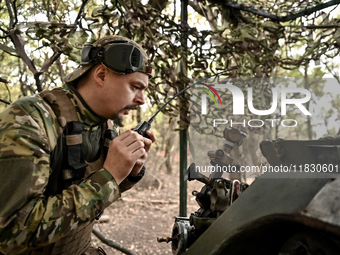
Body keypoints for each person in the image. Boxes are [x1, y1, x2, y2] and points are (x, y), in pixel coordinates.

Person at [0, 35, 157, 255]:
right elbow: (12, 233)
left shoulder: (104, 127)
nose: (141, 100)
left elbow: (88, 200)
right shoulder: (30, 120)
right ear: (101, 74)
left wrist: (128, 174)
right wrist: (109, 178)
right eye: (135, 87)